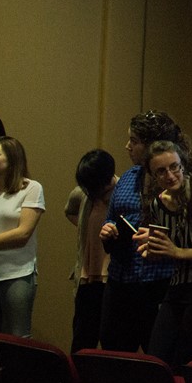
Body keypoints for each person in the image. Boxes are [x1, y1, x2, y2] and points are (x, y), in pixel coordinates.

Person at [99, 110, 192, 352]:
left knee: (156, 357)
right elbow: (111, 217)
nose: (127, 146)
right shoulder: (128, 178)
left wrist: (162, 238)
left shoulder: (179, 182)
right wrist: (108, 230)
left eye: (133, 141)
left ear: (152, 146)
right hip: (121, 279)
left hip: (159, 282)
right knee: (112, 354)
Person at [133, 140, 192, 372]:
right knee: (156, 359)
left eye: (174, 167)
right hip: (177, 286)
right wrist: (153, 249)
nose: (170, 175)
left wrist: (177, 252)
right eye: (161, 171)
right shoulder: (158, 204)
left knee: (183, 362)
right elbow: (169, 251)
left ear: (183, 165)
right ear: (152, 175)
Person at [0, 136, 45, 337]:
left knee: (16, 337)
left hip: (16, 273)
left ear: (12, 158)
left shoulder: (30, 188)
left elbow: (23, 234)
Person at [64, 149, 117, 352]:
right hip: (87, 276)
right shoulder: (83, 193)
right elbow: (69, 211)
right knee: (82, 336)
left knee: (110, 337)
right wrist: (87, 231)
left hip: (110, 276)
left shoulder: (121, 191)